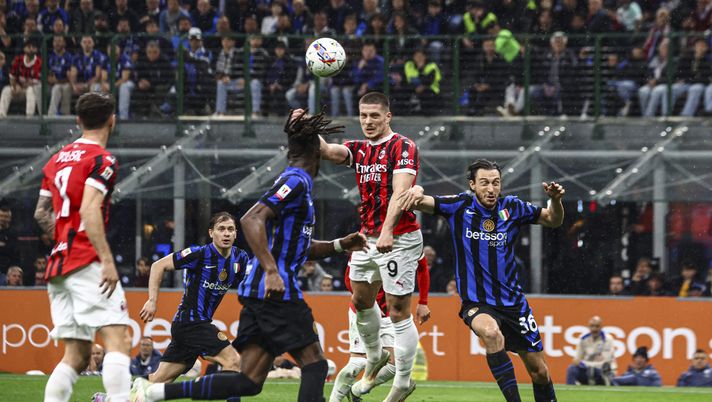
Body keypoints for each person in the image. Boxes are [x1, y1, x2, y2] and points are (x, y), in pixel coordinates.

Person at [131, 109, 368, 402]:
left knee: (248, 380)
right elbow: (251, 219)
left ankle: (153, 393)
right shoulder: (295, 181)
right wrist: (270, 271)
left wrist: (340, 245)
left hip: (260, 295)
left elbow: (298, 248)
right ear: (317, 150)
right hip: (276, 292)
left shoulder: (300, 183)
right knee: (316, 365)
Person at [398, 159, 563, 402]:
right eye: (484, 183)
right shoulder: (459, 206)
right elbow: (417, 201)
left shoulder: (513, 208)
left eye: (496, 183)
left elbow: (553, 220)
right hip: (477, 302)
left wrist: (556, 200)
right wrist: (416, 189)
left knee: (540, 372)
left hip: (514, 305)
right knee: (491, 332)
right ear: (472, 185)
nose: (491, 189)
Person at [318, 91, 423, 401]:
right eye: (363, 116)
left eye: (375, 115)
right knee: (361, 300)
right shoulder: (361, 149)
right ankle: (375, 356)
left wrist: (388, 230)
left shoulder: (403, 147)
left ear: (387, 117)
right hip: (366, 238)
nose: (368, 121)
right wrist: (304, 132)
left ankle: (403, 380)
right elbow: (327, 151)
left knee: (398, 311)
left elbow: (401, 193)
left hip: (399, 237)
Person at [34, 92, 132, 402]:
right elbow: (90, 210)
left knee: (76, 356)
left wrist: (63, 235)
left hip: (58, 265)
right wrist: (106, 260)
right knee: (119, 340)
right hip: (86, 260)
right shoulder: (102, 159)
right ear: (112, 121)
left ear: (78, 121)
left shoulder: (55, 160)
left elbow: (40, 213)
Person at [137, 212, 248, 383]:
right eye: (221, 229)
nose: (226, 233)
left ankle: (108, 398)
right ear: (211, 233)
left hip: (189, 326)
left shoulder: (240, 259)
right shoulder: (199, 254)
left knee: (158, 381)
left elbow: (245, 287)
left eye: (230, 229)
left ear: (235, 234)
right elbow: (158, 266)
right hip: (192, 323)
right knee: (232, 360)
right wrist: (152, 301)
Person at [329, 256, 430, 402]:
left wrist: (423, 302)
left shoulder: (408, 240)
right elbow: (349, 278)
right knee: (358, 362)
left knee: (396, 366)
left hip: (391, 314)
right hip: (365, 310)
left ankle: (356, 390)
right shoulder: (367, 240)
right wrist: (369, 303)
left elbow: (422, 267)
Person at [566, 316, 616, 385]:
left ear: (601, 327)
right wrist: (588, 364)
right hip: (587, 371)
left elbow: (606, 363)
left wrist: (585, 363)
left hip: (601, 372)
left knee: (604, 371)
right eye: (592, 326)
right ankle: (570, 392)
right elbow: (576, 360)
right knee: (572, 369)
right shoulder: (583, 339)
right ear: (588, 327)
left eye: (597, 326)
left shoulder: (608, 339)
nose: (594, 329)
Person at [0, 39, 41, 118]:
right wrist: (14, 86)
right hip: (18, 89)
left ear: (36, 49)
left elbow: (35, 82)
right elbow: (12, 76)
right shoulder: (18, 59)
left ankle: (29, 116)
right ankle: (1, 115)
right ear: (24, 48)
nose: (31, 49)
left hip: (30, 90)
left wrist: (20, 86)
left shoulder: (39, 62)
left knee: (30, 90)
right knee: (6, 90)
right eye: (29, 47)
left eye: (33, 47)